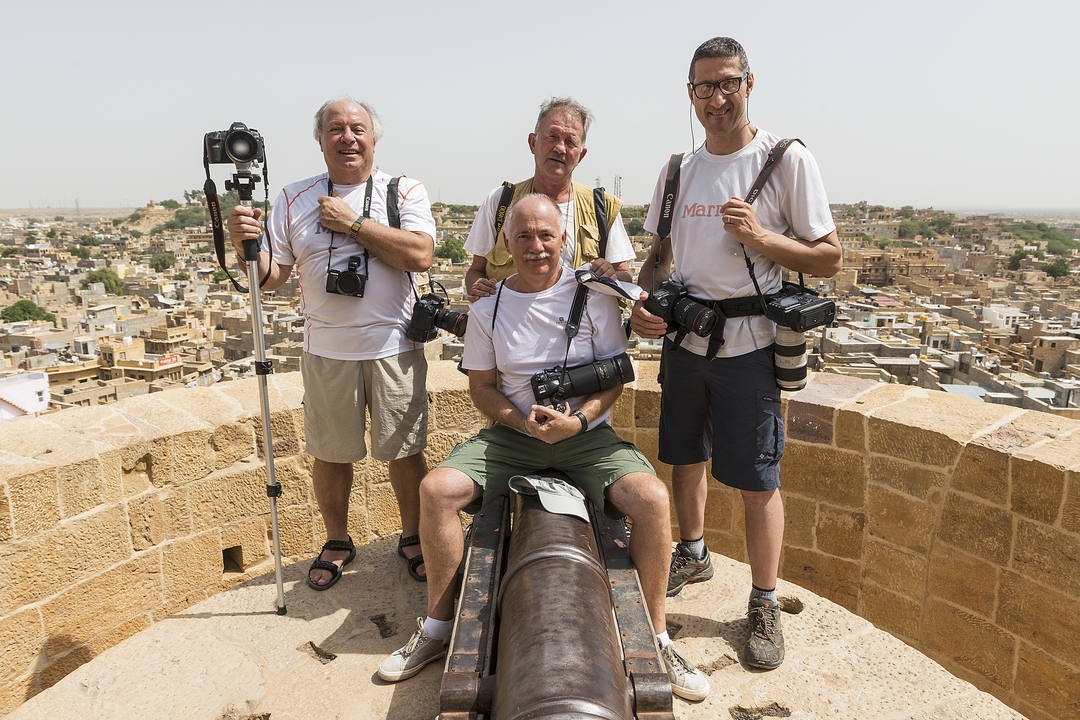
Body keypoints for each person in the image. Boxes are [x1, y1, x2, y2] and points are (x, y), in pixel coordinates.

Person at [377, 194, 710, 701]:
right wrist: (523, 422)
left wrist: (576, 422)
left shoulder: (596, 297)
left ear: (564, 241)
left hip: (586, 438)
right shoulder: (487, 309)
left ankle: (658, 638)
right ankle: (438, 627)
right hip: (514, 436)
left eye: (546, 236)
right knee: (437, 490)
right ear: (507, 243)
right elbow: (482, 387)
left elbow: (614, 379)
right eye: (525, 236)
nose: (536, 246)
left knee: (653, 500)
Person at [631, 37, 842, 670]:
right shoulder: (678, 168)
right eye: (704, 88)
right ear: (689, 95)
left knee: (757, 481)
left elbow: (830, 258)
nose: (716, 99)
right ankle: (692, 554)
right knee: (685, 459)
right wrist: (644, 303)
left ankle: (764, 601)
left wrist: (760, 235)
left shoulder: (785, 159)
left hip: (750, 347)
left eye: (728, 84)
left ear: (750, 84)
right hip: (686, 340)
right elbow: (660, 255)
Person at [226, 97, 435, 590]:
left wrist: (353, 225)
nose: (347, 137)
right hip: (327, 351)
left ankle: (413, 536)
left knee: (405, 452)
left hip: (393, 347)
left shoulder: (402, 191)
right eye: (335, 129)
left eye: (356, 128)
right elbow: (271, 277)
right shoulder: (294, 197)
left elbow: (421, 255)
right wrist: (244, 248)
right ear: (320, 141)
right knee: (330, 454)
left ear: (373, 138)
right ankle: (337, 540)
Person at [463, 97, 636, 302]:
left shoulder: (602, 208)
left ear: (581, 156)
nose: (560, 148)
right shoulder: (501, 201)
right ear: (533, 143)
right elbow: (475, 271)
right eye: (552, 136)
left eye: (570, 141)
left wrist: (611, 275)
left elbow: (625, 276)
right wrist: (478, 287)